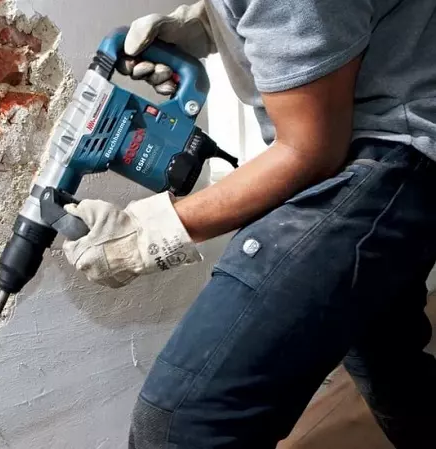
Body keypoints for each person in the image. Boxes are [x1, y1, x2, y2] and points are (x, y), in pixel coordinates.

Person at [61, 1, 436, 448]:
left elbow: (310, 152)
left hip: (393, 151)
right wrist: (209, 22)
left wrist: (152, 234)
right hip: (390, 134)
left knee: (182, 427)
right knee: (385, 357)